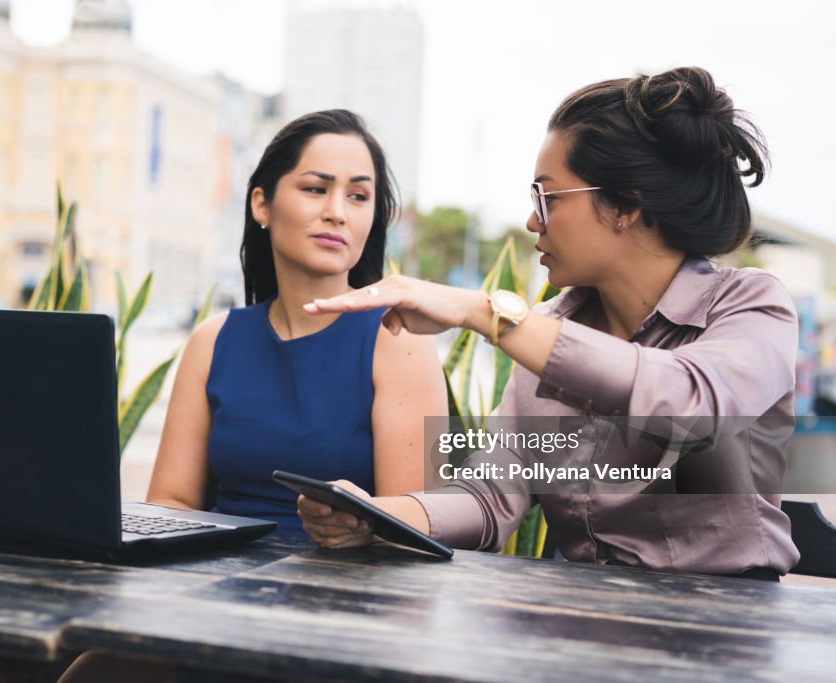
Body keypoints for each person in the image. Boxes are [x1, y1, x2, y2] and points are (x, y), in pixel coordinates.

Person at [297, 67, 800, 580]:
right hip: (582, 624)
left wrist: (483, 313)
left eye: (549, 198)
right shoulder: (546, 329)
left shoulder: (750, 307)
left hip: (728, 629)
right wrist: (376, 516)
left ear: (627, 204)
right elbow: (489, 497)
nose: (533, 221)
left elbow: (691, 403)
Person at [146, 109, 446, 535]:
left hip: (348, 589)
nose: (337, 212)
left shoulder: (399, 341)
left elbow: (418, 525)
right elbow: (170, 503)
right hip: (214, 584)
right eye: (316, 188)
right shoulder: (211, 341)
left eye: (358, 196)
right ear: (261, 204)